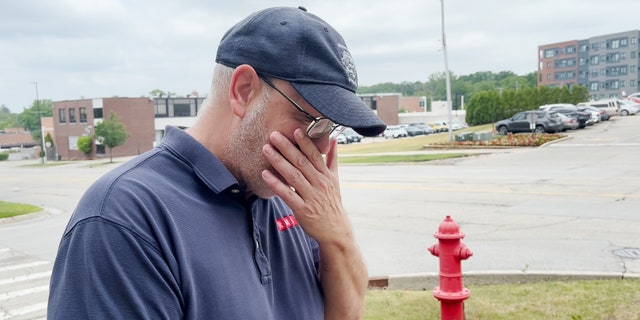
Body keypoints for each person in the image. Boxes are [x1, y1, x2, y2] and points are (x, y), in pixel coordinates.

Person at [47, 6, 386, 320]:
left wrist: (337, 235)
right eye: (312, 121)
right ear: (243, 91)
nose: (322, 145)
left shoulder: (291, 198)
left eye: (331, 126)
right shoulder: (125, 217)